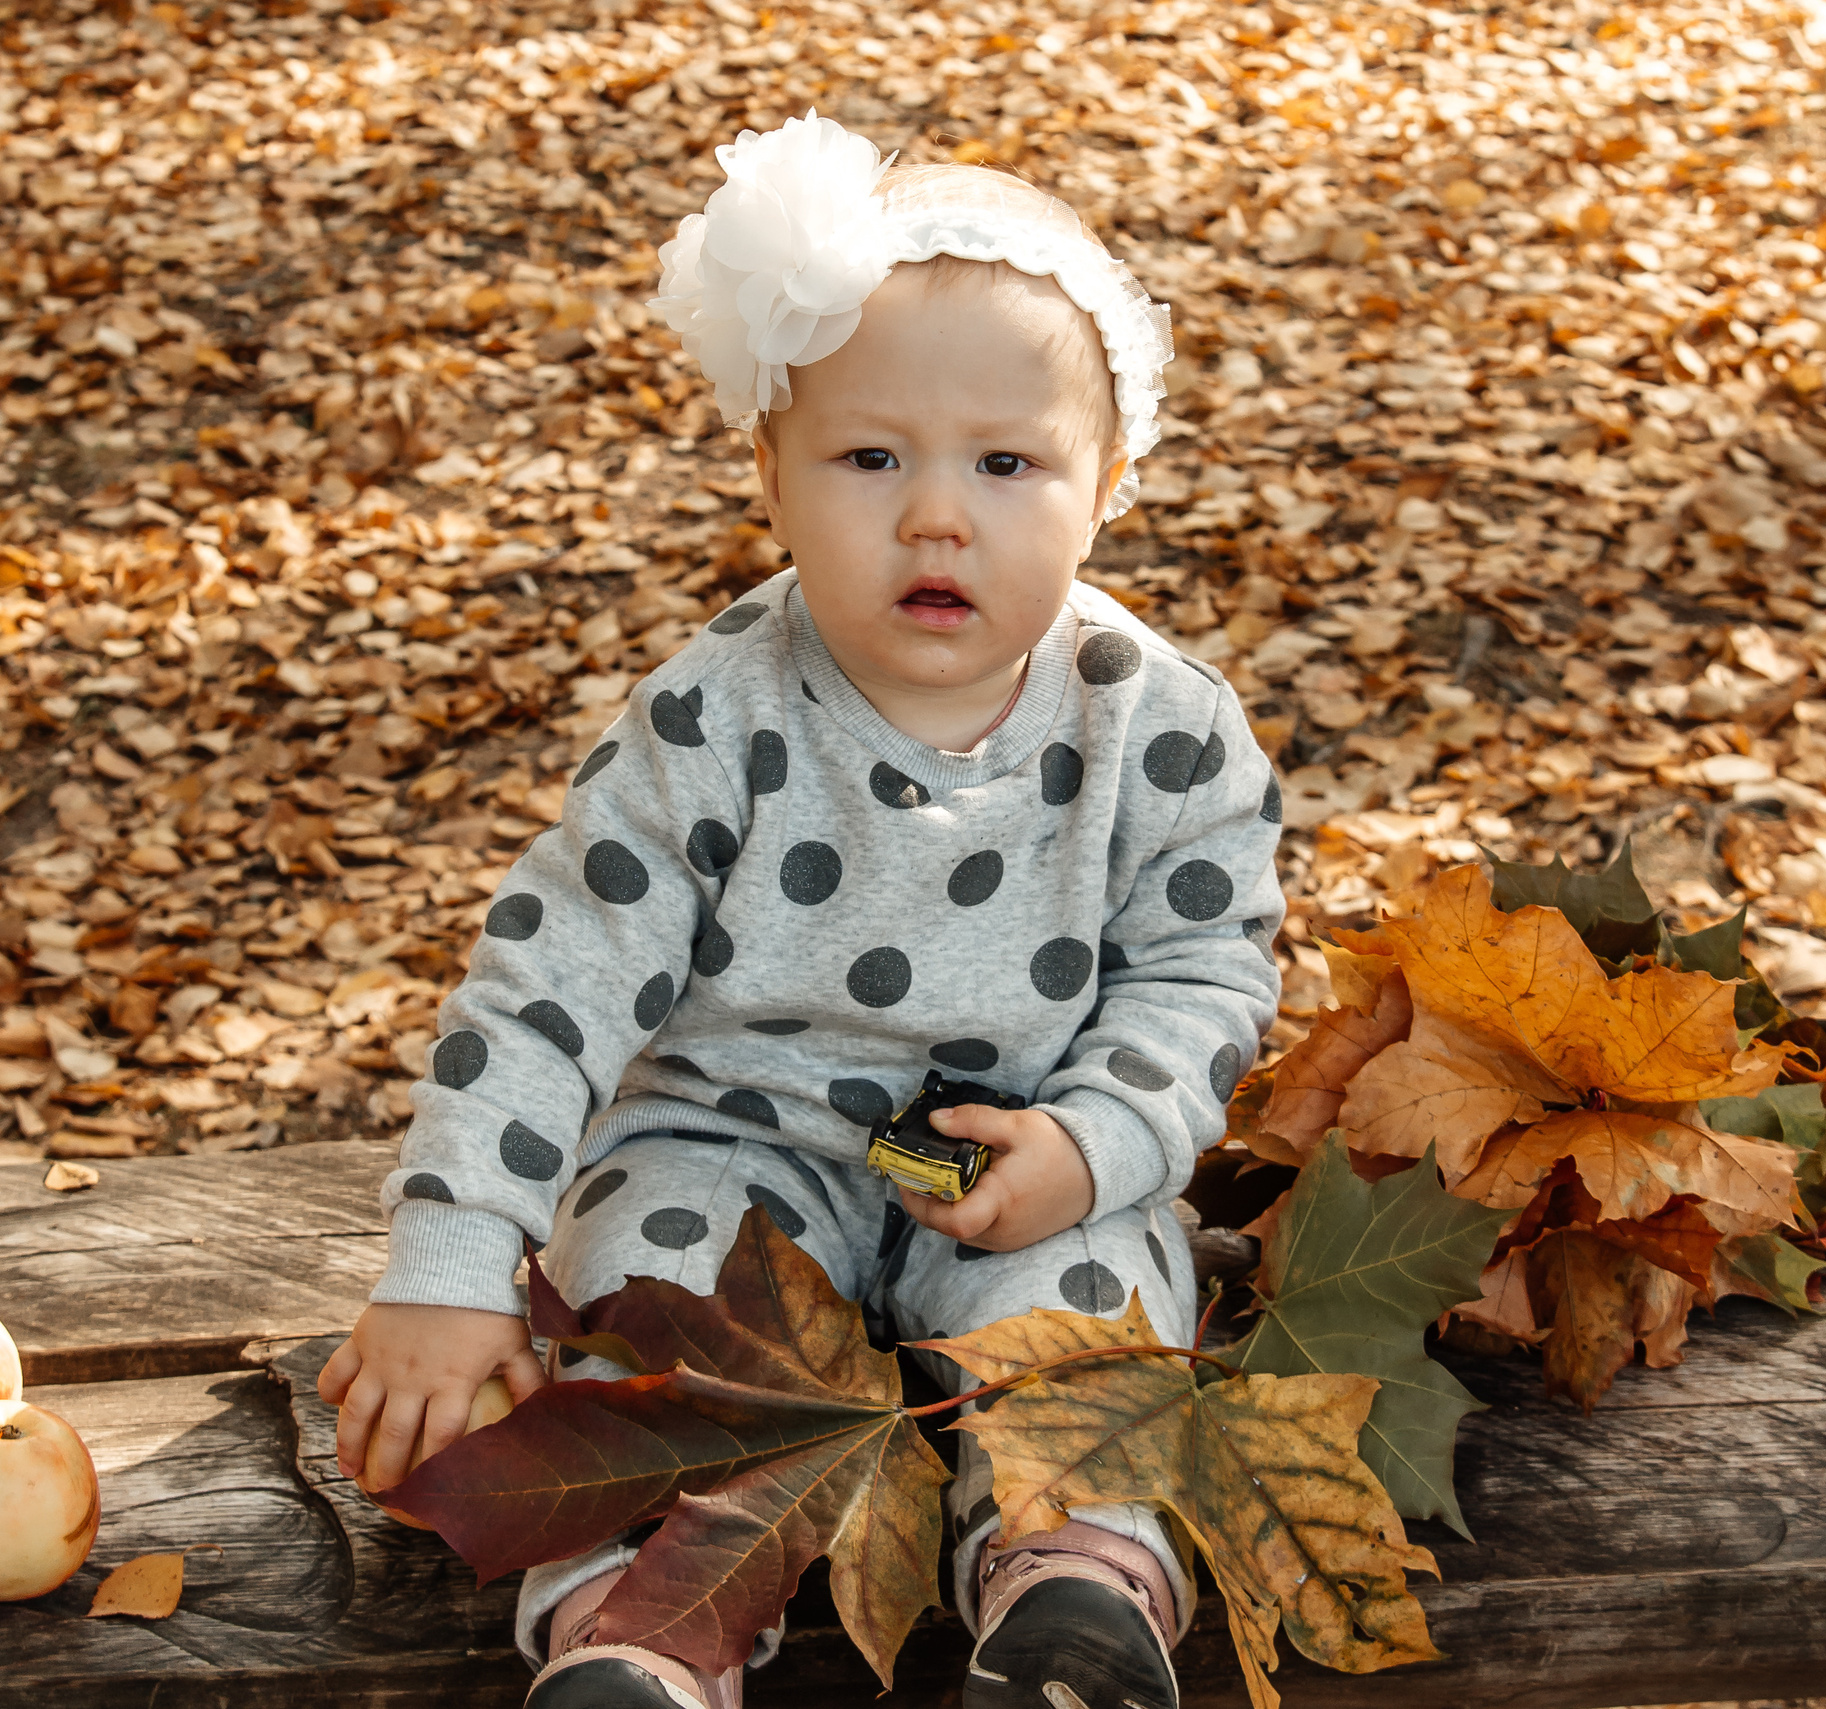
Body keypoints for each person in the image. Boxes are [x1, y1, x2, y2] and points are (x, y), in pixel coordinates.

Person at [319, 112, 1284, 1709]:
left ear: (1107, 484)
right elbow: (550, 984)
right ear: (770, 475)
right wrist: (453, 1257)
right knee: (658, 1307)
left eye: (1005, 463)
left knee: (1097, 1303)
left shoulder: (1161, 727)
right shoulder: (715, 717)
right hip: (737, 1149)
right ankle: (642, 1629)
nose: (935, 515)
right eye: (869, 457)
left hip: (1023, 1157)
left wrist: (1097, 1140)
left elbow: (1203, 971)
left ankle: (1072, 1585)